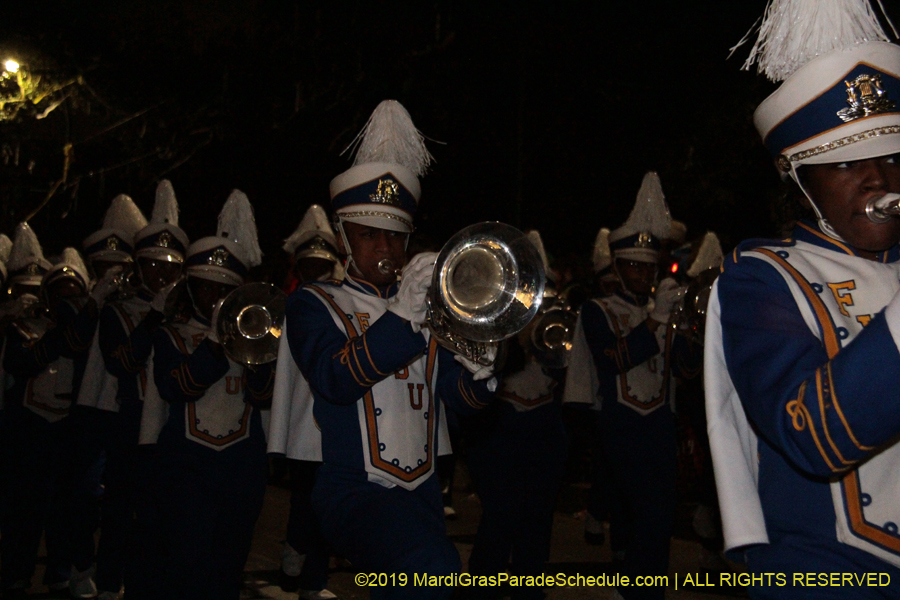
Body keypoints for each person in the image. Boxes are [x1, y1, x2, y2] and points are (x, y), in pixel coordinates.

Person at [706, 1, 900, 594]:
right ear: (799, 179)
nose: (879, 179)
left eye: (894, 154)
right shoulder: (759, 277)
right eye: (845, 161)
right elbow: (813, 434)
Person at [285, 100, 496, 600]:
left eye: (396, 237)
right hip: (352, 492)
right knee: (435, 573)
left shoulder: (429, 312)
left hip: (422, 494)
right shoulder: (315, 304)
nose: (386, 249)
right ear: (342, 239)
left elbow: (461, 403)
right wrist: (402, 316)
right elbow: (336, 380)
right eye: (368, 235)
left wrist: (483, 369)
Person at [566, 172, 700, 600]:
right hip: (621, 424)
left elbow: (685, 370)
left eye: (650, 267)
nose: (645, 274)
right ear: (619, 268)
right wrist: (658, 320)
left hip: (660, 425)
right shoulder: (597, 309)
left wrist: (693, 328)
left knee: (656, 519)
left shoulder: (663, 309)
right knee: (643, 514)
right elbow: (614, 360)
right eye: (635, 267)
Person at [149, 189, 271, 600]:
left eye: (221, 291)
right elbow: (176, 387)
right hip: (186, 469)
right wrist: (216, 345)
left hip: (241, 468)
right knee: (187, 563)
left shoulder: (255, 337)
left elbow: (263, 397)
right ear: (190, 287)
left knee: (228, 565)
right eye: (203, 288)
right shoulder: (170, 335)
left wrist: (257, 355)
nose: (212, 298)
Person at [86, 181, 189, 600]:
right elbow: (123, 363)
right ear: (138, 266)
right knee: (119, 512)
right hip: (129, 423)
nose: (162, 274)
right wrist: (154, 319)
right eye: (153, 265)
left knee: (162, 515)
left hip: (173, 424)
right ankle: (110, 585)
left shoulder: (189, 312)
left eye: (169, 267)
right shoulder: (118, 310)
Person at [0, 235, 118, 598]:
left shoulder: (87, 333)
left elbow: (81, 348)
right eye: (60, 293)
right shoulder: (22, 328)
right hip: (30, 433)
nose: (68, 299)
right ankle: (16, 573)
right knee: (26, 509)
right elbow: (24, 362)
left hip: (68, 432)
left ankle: (61, 571)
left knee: (67, 511)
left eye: (74, 293)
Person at [465, 230, 568, 600]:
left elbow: (564, 375)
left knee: (537, 522)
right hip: (501, 433)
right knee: (499, 519)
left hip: (544, 431)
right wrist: (514, 340)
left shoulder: (558, 322)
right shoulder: (495, 321)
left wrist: (549, 345)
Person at [269, 203, 343, 600]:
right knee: (304, 502)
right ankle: (294, 556)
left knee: (327, 505)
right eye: (308, 266)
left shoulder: (345, 302)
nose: (316, 273)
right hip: (303, 419)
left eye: (322, 265)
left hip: (335, 416)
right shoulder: (291, 306)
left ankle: (314, 581)